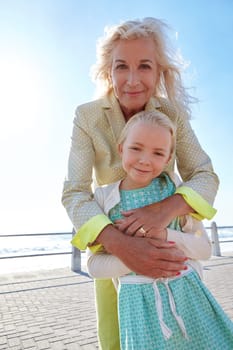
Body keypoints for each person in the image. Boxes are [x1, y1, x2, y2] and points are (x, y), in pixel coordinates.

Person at [62, 17, 219, 350]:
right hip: (113, 250)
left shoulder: (172, 113)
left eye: (144, 66)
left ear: (159, 71)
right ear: (109, 71)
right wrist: (122, 245)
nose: (132, 80)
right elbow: (74, 191)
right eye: (122, 67)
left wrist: (165, 210)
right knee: (118, 340)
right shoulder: (87, 117)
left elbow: (204, 174)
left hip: (172, 259)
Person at [86, 110, 233, 349]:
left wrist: (165, 235)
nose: (145, 159)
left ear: (168, 159)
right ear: (121, 148)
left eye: (157, 153)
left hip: (189, 298)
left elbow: (204, 249)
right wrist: (136, 255)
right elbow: (94, 266)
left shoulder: (175, 187)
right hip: (137, 309)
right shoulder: (104, 197)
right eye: (136, 148)